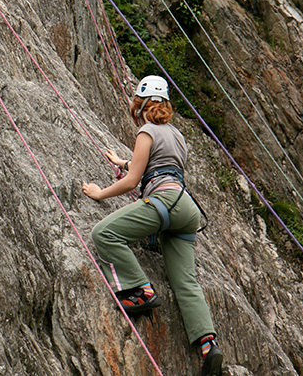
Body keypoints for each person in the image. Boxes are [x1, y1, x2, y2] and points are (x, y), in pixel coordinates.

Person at [82, 75, 223, 376]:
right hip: (186, 209)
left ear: (141, 105)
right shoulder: (178, 136)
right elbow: (158, 166)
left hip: (164, 203)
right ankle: (209, 345)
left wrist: (100, 192)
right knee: (186, 281)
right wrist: (123, 162)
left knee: (103, 233)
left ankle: (140, 289)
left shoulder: (146, 131)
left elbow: (135, 180)